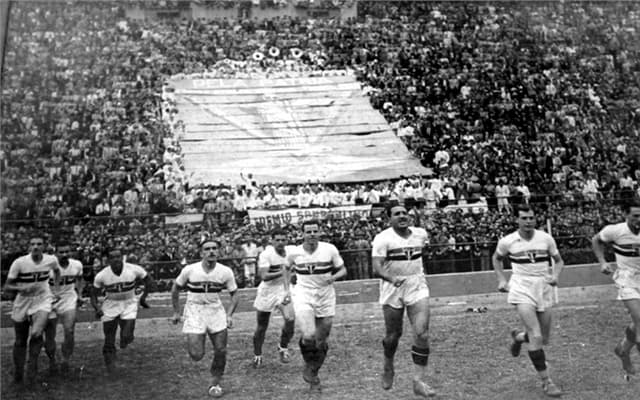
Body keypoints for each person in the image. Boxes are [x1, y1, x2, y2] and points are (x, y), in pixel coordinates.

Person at [493, 204, 564, 397]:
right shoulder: (508, 241)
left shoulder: (545, 238)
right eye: (524, 218)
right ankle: (547, 382)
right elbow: (496, 258)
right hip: (521, 287)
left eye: (531, 218)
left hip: (543, 286)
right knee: (536, 334)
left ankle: (518, 337)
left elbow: (559, 261)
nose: (528, 221)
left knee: (544, 338)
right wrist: (501, 278)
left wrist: (555, 275)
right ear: (517, 219)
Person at [371, 204, 435, 397]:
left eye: (404, 213)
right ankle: (388, 365)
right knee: (393, 336)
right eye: (397, 214)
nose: (402, 216)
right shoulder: (383, 239)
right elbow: (377, 267)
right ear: (389, 218)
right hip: (393, 288)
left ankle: (418, 381)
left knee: (422, 333)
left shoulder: (420, 234)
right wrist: (391, 278)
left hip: (417, 286)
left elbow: (425, 250)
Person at [171, 238, 239, 398]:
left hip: (215, 310)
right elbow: (175, 288)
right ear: (201, 253)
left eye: (214, 248)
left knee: (221, 349)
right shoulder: (190, 270)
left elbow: (235, 294)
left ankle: (215, 383)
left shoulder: (225, 271)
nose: (211, 252)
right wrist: (176, 312)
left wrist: (229, 315)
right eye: (207, 249)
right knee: (196, 355)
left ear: (219, 251)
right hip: (195, 310)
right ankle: (197, 341)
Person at [286, 219, 346, 391]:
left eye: (315, 231)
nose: (311, 235)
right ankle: (310, 366)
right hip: (303, 294)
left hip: (326, 296)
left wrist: (333, 277)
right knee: (309, 335)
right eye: (308, 232)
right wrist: (286, 288)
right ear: (302, 234)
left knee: (321, 340)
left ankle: (312, 370)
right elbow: (285, 268)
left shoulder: (329, 249)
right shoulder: (294, 252)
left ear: (319, 232)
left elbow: (343, 269)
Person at [592, 198, 640, 378]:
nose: (639, 220)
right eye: (635, 216)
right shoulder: (615, 231)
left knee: (637, 323)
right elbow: (596, 240)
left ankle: (623, 349)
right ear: (625, 214)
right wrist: (602, 261)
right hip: (626, 279)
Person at [3, 235, 61, 383]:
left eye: (39, 244)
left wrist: (56, 289)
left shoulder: (51, 260)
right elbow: (7, 286)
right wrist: (22, 287)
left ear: (44, 246)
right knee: (20, 341)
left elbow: (57, 271)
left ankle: (32, 364)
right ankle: (18, 371)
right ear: (29, 246)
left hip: (42, 299)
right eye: (33, 244)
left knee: (36, 333)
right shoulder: (20, 263)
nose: (36, 247)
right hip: (23, 301)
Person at [90, 246, 152, 374]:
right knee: (109, 337)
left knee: (127, 336)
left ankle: (125, 339)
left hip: (129, 304)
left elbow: (148, 280)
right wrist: (97, 308)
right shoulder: (102, 275)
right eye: (112, 257)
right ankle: (110, 366)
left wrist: (143, 298)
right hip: (110, 305)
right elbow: (93, 295)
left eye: (118, 256)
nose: (116, 259)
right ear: (107, 260)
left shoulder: (133, 269)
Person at [252, 229, 295, 368]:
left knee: (290, 319)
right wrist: (282, 272)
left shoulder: (292, 251)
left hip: (283, 289)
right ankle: (257, 355)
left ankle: (283, 347)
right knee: (262, 326)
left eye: (283, 239)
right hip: (267, 291)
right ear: (272, 241)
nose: (281, 243)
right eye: (278, 240)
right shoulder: (266, 254)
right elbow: (263, 276)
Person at [44, 241, 84, 375]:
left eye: (67, 251)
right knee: (50, 334)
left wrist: (79, 294)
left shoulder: (76, 264)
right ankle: (52, 361)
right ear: (55, 253)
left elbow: (79, 279)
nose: (64, 254)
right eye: (61, 252)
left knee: (70, 330)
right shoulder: (47, 266)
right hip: (49, 300)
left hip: (68, 298)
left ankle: (65, 360)